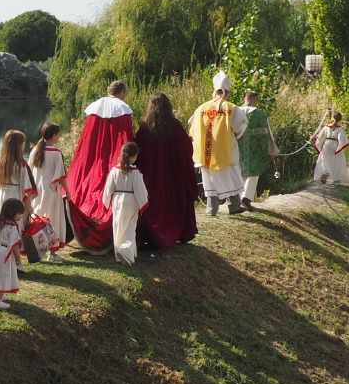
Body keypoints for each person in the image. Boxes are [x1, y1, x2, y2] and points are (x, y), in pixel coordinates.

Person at [65, 81, 137, 251]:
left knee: (89, 181)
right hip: (113, 155)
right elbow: (125, 137)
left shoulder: (95, 107)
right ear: (122, 92)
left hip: (95, 154)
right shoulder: (123, 109)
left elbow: (89, 139)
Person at [135, 94, 197, 250]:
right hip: (173, 176)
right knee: (172, 202)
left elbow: (138, 153)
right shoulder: (175, 127)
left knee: (152, 204)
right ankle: (174, 232)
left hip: (151, 177)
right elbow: (186, 150)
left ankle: (149, 234)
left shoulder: (145, 128)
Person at [188, 72, 248, 215]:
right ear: (227, 92)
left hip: (205, 152)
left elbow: (192, 127)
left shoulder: (201, 108)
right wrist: (234, 136)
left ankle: (211, 209)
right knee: (231, 178)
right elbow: (241, 125)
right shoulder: (230, 108)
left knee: (210, 181)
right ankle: (234, 205)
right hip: (225, 151)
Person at [0, 129, 36, 265]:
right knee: (13, 229)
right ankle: (16, 262)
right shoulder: (21, 164)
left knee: (1, 227)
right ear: (18, 145)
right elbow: (27, 189)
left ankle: (2, 257)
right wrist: (29, 207)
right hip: (13, 198)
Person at [102, 141, 150, 265]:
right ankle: (128, 256)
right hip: (131, 201)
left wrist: (106, 201)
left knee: (118, 226)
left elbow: (108, 188)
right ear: (133, 156)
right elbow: (140, 189)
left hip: (117, 200)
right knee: (129, 228)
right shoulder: (136, 172)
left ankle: (119, 254)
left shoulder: (114, 171)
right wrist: (143, 203)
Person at [27, 123, 70, 253]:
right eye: (58, 134)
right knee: (52, 219)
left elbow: (28, 171)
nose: (59, 136)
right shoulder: (56, 153)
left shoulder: (35, 150)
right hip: (51, 191)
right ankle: (52, 251)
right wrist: (68, 192)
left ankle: (37, 247)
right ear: (54, 135)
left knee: (38, 217)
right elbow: (61, 176)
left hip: (37, 191)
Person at [237, 90, 275, 209]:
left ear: (245, 98)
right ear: (254, 99)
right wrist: (269, 147)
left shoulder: (236, 111)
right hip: (255, 148)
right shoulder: (259, 113)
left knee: (239, 172)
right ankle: (246, 198)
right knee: (253, 173)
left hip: (237, 146)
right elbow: (266, 132)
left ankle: (237, 198)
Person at [0, 197, 25, 309]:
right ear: (13, 212)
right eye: (19, 214)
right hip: (4, 252)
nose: (21, 216)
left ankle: (0, 296)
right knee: (4, 275)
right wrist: (18, 260)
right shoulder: (12, 227)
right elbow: (15, 246)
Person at [311, 109, 349, 185]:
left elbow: (320, 137)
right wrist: (343, 145)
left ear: (333, 118)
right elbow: (342, 140)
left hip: (326, 145)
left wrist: (315, 140)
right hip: (335, 145)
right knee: (336, 162)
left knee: (325, 160)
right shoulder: (340, 129)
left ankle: (325, 173)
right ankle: (336, 178)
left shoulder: (326, 127)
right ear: (340, 120)